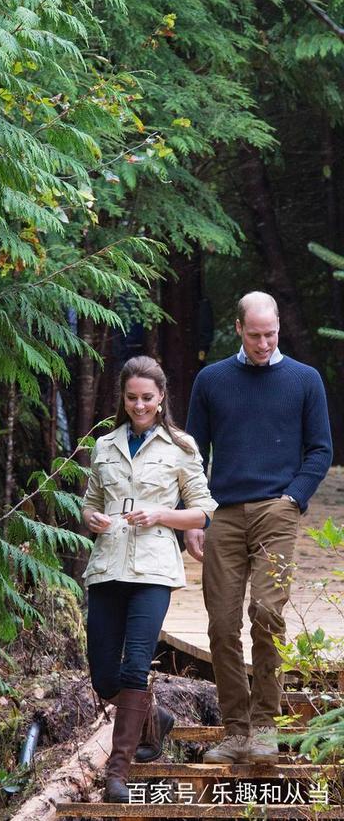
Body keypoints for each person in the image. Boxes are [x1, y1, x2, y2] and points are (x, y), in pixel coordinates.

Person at [186, 291, 333, 765]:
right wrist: (194, 516)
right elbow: (192, 454)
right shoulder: (211, 380)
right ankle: (235, 730)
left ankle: (266, 723)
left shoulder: (305, 380)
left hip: (277, 509)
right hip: (223, 512)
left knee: (267, 613)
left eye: (271, 334)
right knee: (222, 624)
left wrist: (294, 498)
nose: (264, 342)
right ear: (238, 329)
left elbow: (320, 449)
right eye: (255, 335)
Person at [82, 355, 217, 803]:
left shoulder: (181, 446)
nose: (140, 405)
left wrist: (161, 514)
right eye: (132, 398)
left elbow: (203, 510)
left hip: (155, 568)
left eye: (148, 398)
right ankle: (152, 717)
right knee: (104, 676)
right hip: (107, 566)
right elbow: (89, 503)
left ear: (161, 399)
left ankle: (116, 774)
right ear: (122, 398)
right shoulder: (105, 445)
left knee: (134, 665)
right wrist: (94, 519)